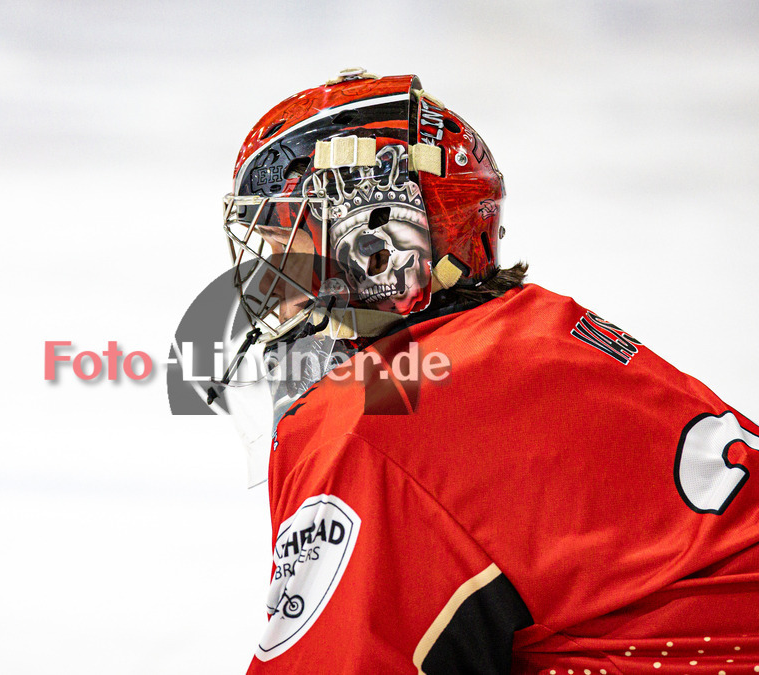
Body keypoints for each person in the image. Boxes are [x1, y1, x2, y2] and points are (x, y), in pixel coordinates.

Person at [212, 68, 759, 674]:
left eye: (290, 248)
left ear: (376, 249)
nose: (269, 289)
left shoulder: (374, 416)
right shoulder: (537, 327)